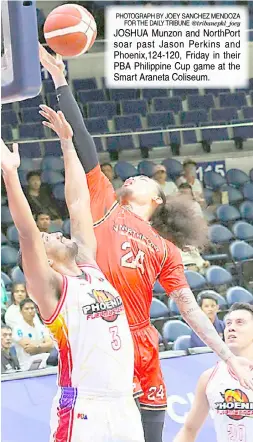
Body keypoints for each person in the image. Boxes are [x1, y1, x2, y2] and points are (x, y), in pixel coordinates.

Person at [39, 45, 253, 442]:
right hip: (100, 332)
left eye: (143, 177)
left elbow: (190, 310)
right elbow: (83, 142)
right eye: (132, 175)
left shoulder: (166, 248)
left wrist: (229, 359)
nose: (133, 175)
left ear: (157, 199)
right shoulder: (104, 203)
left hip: (142, 343)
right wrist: (60, 81)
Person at [1, 110, 144, 442]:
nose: (55, 233)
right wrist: (10, 173)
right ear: (43, 261)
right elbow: (26, 233)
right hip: (83, 407)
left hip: (123, 403)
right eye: (47, 239)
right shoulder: (50, 288)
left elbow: (79, 202)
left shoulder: (88, 263)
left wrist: (67, 144)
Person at [173, 303, 253, 442]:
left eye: (240, 323)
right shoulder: (210, 377)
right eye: (228, 323)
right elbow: (189, 429)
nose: (231, 328)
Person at [12, 298, 55, 371]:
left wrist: (37, 346)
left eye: (32, 308)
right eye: (27, 309)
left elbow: (51, 345)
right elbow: (29, 349)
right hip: (26, 367)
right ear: (21, 311)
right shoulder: (17, 329)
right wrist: (43, 345)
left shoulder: (41, 327)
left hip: (44, 364)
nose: (30, 311)